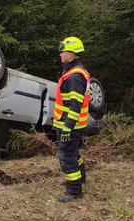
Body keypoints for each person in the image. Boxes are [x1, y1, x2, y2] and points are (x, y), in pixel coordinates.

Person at [53, 37, 91, 203]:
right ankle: (80, 177)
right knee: (73, 151)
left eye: (63, 51)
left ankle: (74, 190)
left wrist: (68, 126)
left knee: (66, 154)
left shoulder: (75, 77)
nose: (60, 54)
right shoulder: (72, 73)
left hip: (71, 125)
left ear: (72, 54)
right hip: (72, 124)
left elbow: (75, 105)